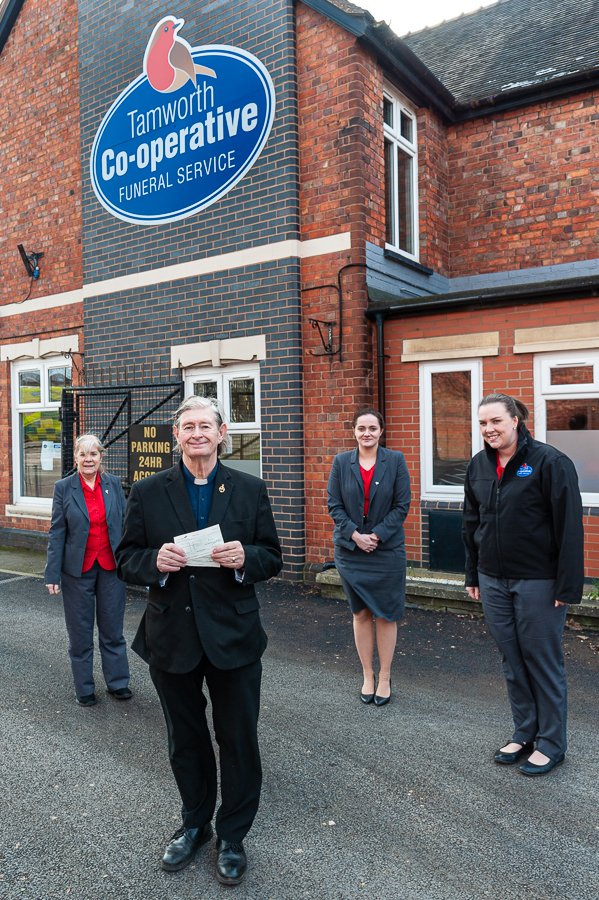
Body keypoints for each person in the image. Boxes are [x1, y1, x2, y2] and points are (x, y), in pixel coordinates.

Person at [116, 396, 282, 887]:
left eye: (204, 425)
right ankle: (194, 826)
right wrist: (154, 564)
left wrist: (244, 557)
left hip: (233, 635)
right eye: (187, 426)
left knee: (238, 739)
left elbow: (272, 556)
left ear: (222, 431)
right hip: (172, 637)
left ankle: (233, 835)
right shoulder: (148, 491)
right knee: (184, 741)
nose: (196, 434)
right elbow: (126, 557)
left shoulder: (249, 489)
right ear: (176, 435)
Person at [463, 392, 584, 776]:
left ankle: (551, 743)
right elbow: (472, 524)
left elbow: (569, 528)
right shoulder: (478, 466)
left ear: (515, 420)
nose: (489, 429)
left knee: (542, 661)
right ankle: (525, 732)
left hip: (539, 582)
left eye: (496, 421)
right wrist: (473, 574)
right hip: (492, 579)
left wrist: (567, 587)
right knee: (512, 660)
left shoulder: (549, 462)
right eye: (483, 423)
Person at [327, 407, 411, 707]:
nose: (367, 433)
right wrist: (355, 535)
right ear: (354, 431)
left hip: (385, 550)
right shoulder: (340, 462)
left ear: (381, 431)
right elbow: (334, 505)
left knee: (387, 614)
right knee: (361, 613)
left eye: (372, 428)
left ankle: (385, 676)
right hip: (351, 552)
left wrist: (375, 535)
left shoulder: (396, 461)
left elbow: (402, 505)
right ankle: (367, 675)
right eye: (361, 428)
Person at [45, 434, 131, 707]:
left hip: (110, 567)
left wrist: (132, 562)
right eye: (83, 455)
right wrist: (52, 574)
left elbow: (126, 525)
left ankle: (118, 683)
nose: (89, 459)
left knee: (112, 630)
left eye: (93, 454)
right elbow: (57, 532)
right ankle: (84, 687)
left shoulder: (114, 485)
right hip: (76, 571)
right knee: (80, 632)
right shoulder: (64, 488)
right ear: (76, 459)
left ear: (101, 457)